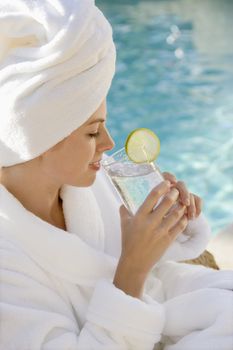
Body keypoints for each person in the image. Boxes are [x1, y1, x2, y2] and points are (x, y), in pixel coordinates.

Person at [0, 1, 232, 349]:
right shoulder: (7, 260)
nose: (107, 143)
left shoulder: (88, 185)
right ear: (41, 139)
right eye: (93, 132)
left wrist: (169, 227)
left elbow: (156, 271)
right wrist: (132, 268)